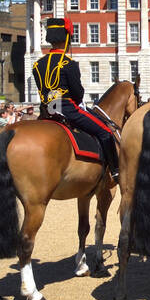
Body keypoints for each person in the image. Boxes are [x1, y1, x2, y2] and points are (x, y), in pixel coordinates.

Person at [32, 18, 120, 182]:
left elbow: (43, 90)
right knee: (106, 132)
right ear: (66, 40)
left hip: (48, 109)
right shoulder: (68, 63)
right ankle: (115, 171)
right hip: (68, 109)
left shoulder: (38, 65)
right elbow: (77, 93)